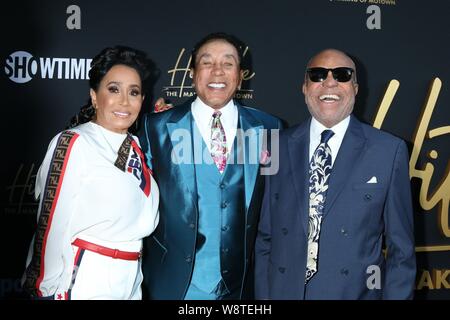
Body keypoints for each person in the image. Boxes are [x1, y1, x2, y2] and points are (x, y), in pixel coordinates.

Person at [255, 49, 416, 299]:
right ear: (305, 87)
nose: (329, 82)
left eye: (342, 75)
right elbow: (265, 237)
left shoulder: (388, 150)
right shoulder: (275, 146)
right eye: (318, 75)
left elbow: (401, 251)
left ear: (355, 88)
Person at [139, 32, 283, 300]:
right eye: (207, 63)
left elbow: (274, 206)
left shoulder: (268, 128)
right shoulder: (156, 127)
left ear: (240, 76)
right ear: (192, 73)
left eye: (228, 63)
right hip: (173, 286)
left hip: (240, 289)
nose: (217, 71)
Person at [22, 46, 159, 300]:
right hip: (86, 276)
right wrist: (44, 287)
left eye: (134, 92)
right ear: (95, 96)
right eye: (114, 89)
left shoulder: (136, 146)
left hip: (130, 277)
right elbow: (51, 223)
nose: (124, 101)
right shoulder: (74, 141)